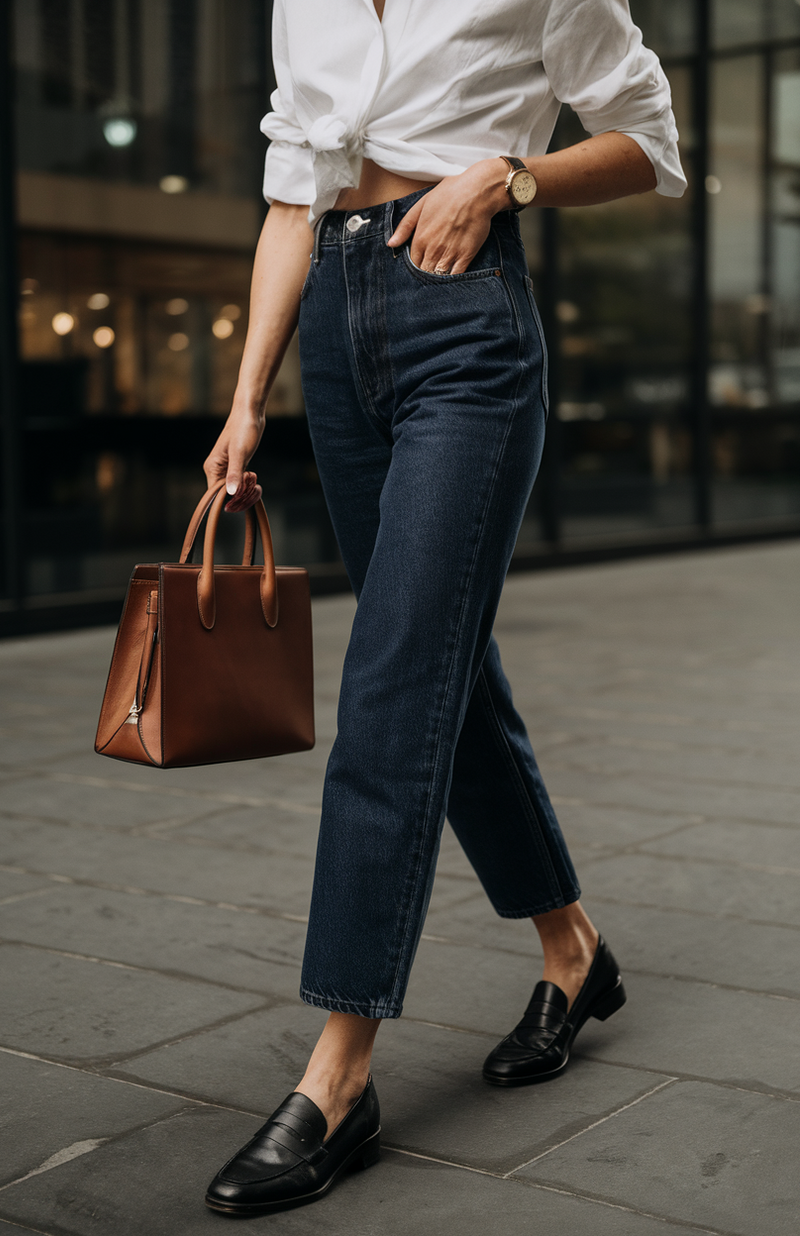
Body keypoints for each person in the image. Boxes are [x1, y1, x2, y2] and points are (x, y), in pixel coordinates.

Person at [203, 0, 686, 1217]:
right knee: (442, 676)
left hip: (463, 330)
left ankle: (337, 1073)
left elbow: (647, 141)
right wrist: (246, 398)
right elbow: (287, 201)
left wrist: (507, 179)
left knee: (391, 683)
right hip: (333, 328)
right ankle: (573, 958)